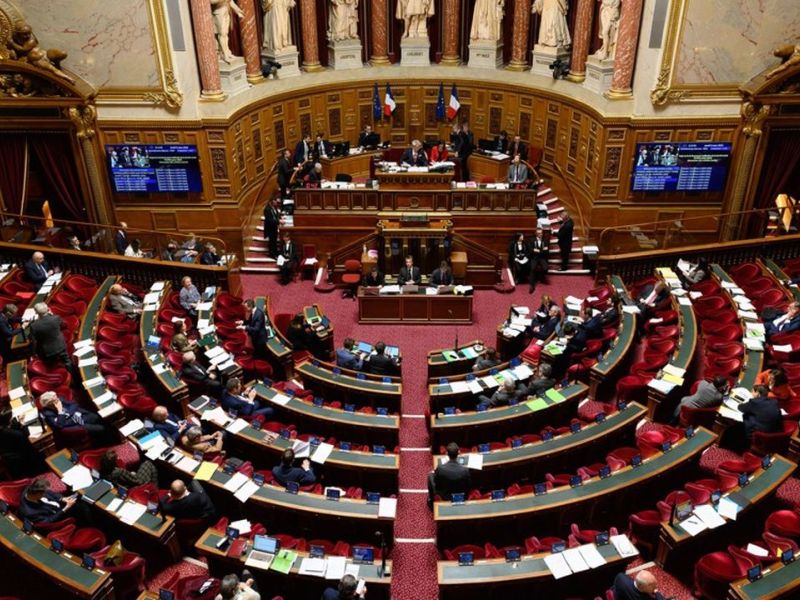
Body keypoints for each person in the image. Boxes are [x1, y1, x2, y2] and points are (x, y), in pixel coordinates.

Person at [39, 391, 117, 446]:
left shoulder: (59, 399)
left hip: (79, 415)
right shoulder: (48, 414)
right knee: (101, 428)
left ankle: (108, 432)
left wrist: (68, 414)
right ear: (50, 404)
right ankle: (108, 441)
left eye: (57, 397)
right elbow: (60, 425)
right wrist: (60, 411)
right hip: (76, 425)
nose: (58, 400)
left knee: (97, 417)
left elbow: (74, 404)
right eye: (55, 400)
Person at [0, 408, 47, 478]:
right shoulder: (17, 434)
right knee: (41, 454)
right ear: (10, 420)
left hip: (10, 462)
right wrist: (23, 424)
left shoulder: (4, 429)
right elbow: (27, 442)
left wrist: (19, 422)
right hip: (25, 459)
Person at [29, 302, 70, 369]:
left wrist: (33, 354)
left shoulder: (34, 325)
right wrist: (52, 315)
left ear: (36, 313)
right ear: (48, 309)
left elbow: (33, 341)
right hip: (61, 346)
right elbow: (65, 325)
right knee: (67, 362)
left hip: (47, 352)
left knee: (52, 366)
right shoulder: (56, 318)